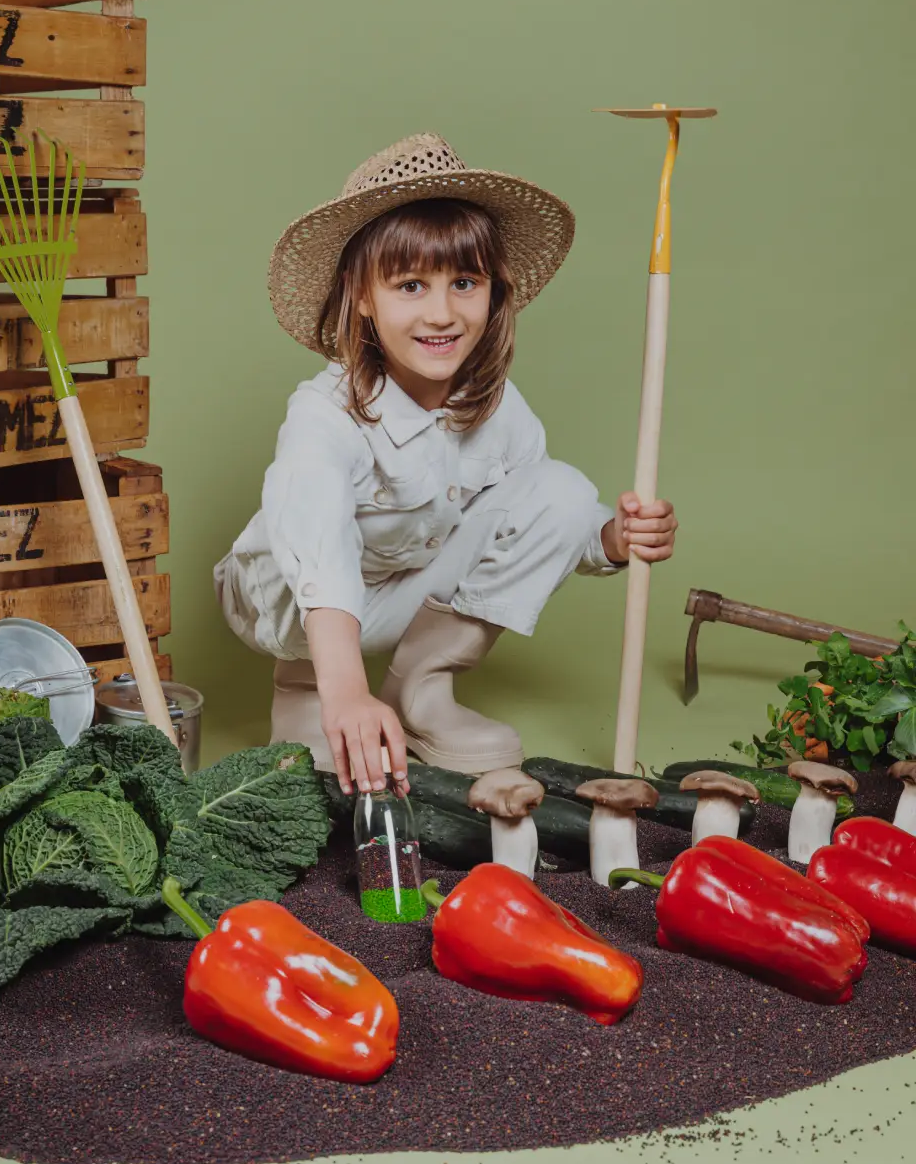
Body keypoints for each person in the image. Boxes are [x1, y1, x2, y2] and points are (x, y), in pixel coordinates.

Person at [214, 132, 678, 821]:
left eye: (465, 283)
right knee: (319, 549)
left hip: (399, 591)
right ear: (361, 296)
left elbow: (536, 521)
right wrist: (345, 686)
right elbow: (312, 535)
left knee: (564, 491)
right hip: (284, 603)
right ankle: (310, 695)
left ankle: (421, 690)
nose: (441, 313)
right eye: (410, 286)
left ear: (495, 292)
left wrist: (611, 538)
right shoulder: (327, 411)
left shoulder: (497, 411)